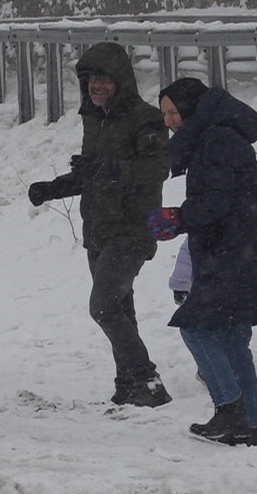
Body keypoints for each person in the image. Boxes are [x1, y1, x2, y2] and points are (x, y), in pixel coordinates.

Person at [26, 41, 172, 408]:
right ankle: (128, 385)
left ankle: (146, 379)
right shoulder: (94, 119)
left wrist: (107, 169)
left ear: (121, 80)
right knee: (120, 307)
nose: (97, 86)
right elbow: (92, 175)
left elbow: (156, 169)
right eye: (92, 80)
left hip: (133, 229)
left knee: (104, 306)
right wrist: (54, 188)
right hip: (99, 230)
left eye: (104, 79)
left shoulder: (146, 118)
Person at [147, 77, 257, 447]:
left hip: (234, 254)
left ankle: (231, 411)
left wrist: (177, 217)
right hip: (249, 249)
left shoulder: (215, 141)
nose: (170, 122)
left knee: (199, 329)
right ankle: (247, 423)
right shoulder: (220, 134)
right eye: (164, 114)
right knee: (232, 337)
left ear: (193, 110)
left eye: (174, 112)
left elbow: (216, 203)